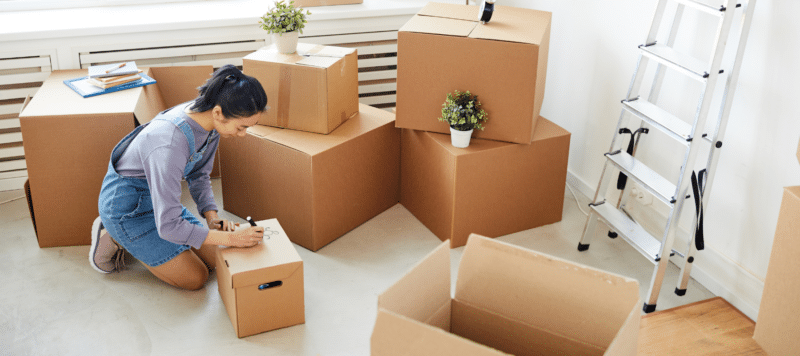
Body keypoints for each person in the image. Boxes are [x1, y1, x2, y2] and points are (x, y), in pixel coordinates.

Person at [89, 64, 267, 290]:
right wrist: (232, 238)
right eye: (241, 127)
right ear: (218, 112)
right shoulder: (169, 142)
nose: (242, 135)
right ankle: (113, 235)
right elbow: (170, 227)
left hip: (160, 203)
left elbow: (200, 174)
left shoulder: (208, 122)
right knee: (196, 277)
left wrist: (212, 219)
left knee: (217, 261)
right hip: (128, 212)